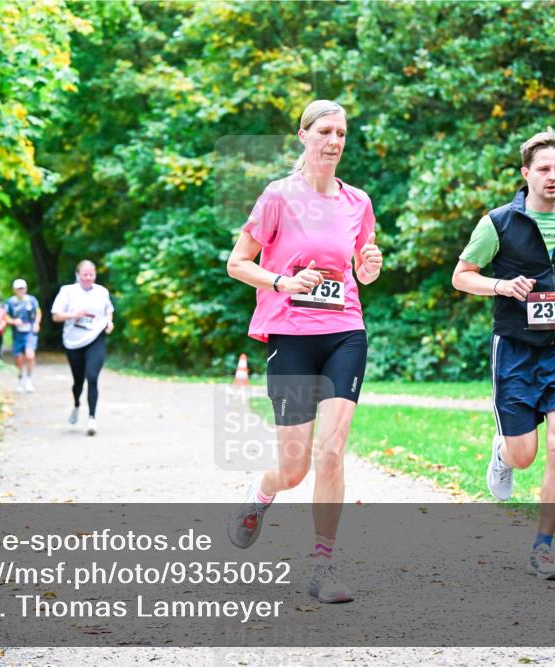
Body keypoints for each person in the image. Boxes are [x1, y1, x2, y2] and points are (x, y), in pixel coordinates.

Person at [225, 99, 383, 603]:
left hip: (344, 332)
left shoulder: (357, 200)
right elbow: (237, 264)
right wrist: (283, 281)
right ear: (303, 136)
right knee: (294, 467)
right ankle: (262, 493)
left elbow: (363, 270)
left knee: (331, 451)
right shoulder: (278, 196)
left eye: (341, 133)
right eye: (325, 132)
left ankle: (321, 565)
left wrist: (372, 265)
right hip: (290, 337)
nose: (334, 141)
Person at [451, 128, 555, 580]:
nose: (552, 177)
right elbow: (462, 275)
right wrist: (501, 286)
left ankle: (543, 548)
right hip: (515, 350)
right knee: (524, 454)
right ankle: (504, 453)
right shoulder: (499, 223)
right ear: (526, 173)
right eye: (544, 169)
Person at [51, 260, 114, 436]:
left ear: (95, 275)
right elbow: (56, 316)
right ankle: (77, 404)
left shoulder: (101, 291)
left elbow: (108, 309)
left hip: (96, 337)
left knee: (92, 376)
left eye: (91, 274)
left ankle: (92, 418)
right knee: (78, 381)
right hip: (74, 341)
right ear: (78, 275)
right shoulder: (67, 291)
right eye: (84, 274)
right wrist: (73, 315)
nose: (88, 277)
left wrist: (109, 321)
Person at [6, 278, 41, 393]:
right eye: (18, 289)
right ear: (14, 290)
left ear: (25, 289)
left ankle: (29, 379)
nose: (20, 290)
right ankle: (21, 378)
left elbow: (38, 312)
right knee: (18, 358)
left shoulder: (31, 300)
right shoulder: (10, 302)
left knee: (30, 355)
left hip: (30, 332)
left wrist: (36, 323)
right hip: (17, 334)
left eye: (22, 288)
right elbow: (5, 316)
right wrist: (13, 321)